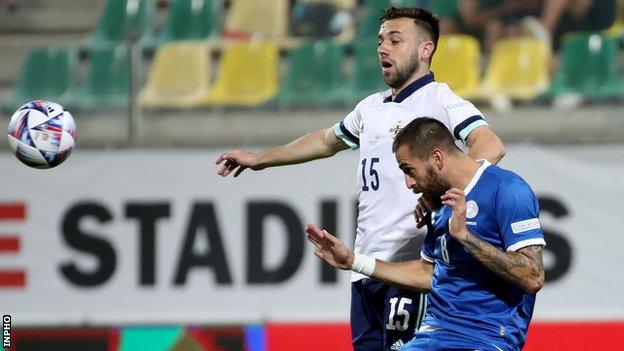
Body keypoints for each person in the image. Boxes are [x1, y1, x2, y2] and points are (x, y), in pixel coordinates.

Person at [216, 7, 506, 351]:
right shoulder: (370, 108)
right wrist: (259, 159)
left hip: (413, 269)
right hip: (366, 271)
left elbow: (491, 145)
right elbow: (326, 141)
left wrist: (447, 197)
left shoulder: (440, 100)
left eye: (396, 40)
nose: (383, 48)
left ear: (426, 49)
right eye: (381, 40)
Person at [306, 117, 545, 351]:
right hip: (433, 335)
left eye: (409, 170)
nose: (409, 184)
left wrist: (465, 237)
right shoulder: (440, 204)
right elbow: (429, 273)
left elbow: (533, 277)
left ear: (437, 158)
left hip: (487, 337)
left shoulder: (508, 190)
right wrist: (353, 261)